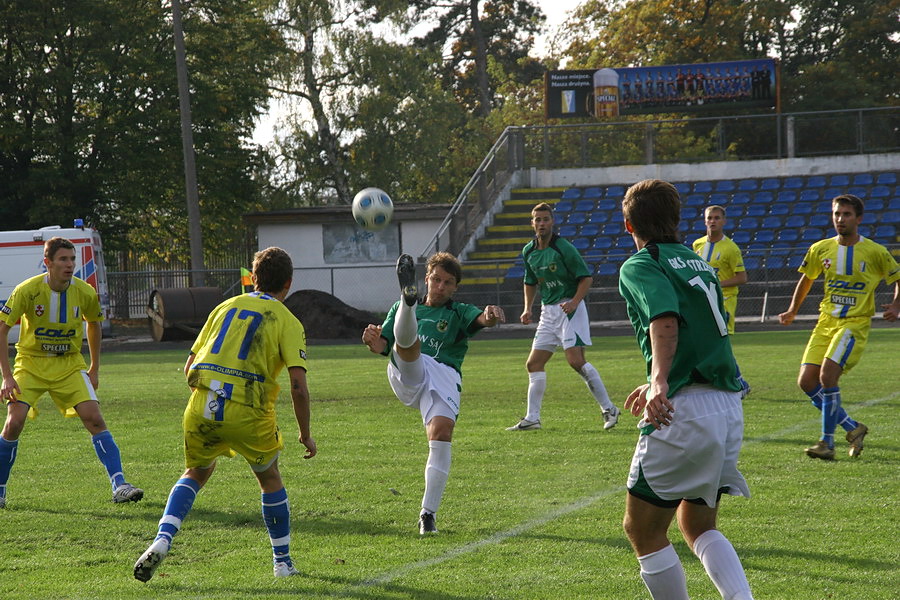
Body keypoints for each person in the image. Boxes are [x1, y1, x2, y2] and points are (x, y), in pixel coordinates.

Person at [133, 247, 317, 581]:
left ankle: (163, 538)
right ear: (288, 284)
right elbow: (298, 387)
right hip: (249, 409)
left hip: (203, 403)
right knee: (269, 476)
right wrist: (305, 433)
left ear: (254, 277)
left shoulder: (224, 307)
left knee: (196, 471)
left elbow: (188, 366)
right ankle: (282, 562)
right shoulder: (287, 321)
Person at [618, 179, 754, 600]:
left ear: (627, 225)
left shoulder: (642, 264)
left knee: (641, 528)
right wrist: (660, 377)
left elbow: (665, 321)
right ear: (677, 220)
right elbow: (697, 334)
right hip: (725, 405)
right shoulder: (699, 263)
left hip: (684, 413)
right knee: (697, 525)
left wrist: (659, 380)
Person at [362, 253, 504, 534]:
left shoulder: (459, 311)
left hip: (444, 375)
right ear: (425, 279)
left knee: (441, 434)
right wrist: (371, 340)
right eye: (436, 279)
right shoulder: (397, 312)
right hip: (408, 370)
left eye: (447, 283)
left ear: (455, 288)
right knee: (409, 347)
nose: (440, 286)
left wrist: (489, 316)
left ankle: (427, 515)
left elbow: (481, 320)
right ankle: (407, 302)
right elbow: (381, 346)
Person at [0, 237, 143, 509]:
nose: (70, 265)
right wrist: (7, 376)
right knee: (14, 422)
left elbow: (94, 324)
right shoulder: (27, 290)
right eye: (63, 259)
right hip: (31, 363)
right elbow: (2, 329)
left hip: (69, 365)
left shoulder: (84, 291)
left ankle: (120, 485)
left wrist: (94, 368)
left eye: (72, 259)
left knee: (95, 418)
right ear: (48, 262)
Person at [778, 194, 899, 460]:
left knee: (827, 377)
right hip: (825, 322)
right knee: (806, 381)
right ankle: (853, 428)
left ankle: (827, 443)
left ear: (859, 219)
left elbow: (898, 278)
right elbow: (806, 279)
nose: (840, 219)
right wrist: (792, 310)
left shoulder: (875, 252)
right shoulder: (821, 248)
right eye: (836, 214)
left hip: (853, 324)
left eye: (846, 214)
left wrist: (896, 305)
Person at [506, 202, 619, 432]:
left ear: (552, 221)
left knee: (576, 361)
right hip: (548, 311)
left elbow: (586, 278)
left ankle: (609, 409)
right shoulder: (529, 251)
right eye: (537, 220)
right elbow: (529, 282)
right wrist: (528, 308)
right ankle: (532, 418)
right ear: (532, 223)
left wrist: (574, 302)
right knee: (534, 363)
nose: (541, 224)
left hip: (570, 308)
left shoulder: (563, 248)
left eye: (545, 219)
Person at [692, 205, 751, 395]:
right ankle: (736, 382)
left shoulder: (731, 248)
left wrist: (717, 284)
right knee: (712, 343)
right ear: (705, 220)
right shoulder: (697, 245)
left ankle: (738, 382)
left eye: (717, 218)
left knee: (718, 342)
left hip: (724, 302)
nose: (713, 221)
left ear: (724, 221)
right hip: (703, 302)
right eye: (710, 218)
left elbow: (742, 277)